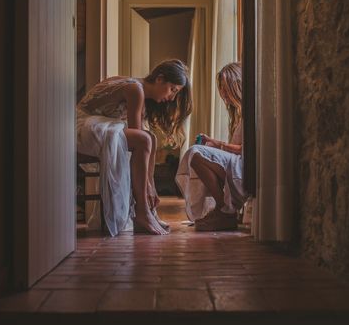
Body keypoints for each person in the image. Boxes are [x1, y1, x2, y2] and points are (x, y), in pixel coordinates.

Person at [76, 59, 192, 236]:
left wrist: (150, 184)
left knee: (150, 139)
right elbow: (138, 138)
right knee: (144, 140)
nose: (172, 97)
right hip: (81, 128)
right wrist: (148, 186)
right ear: (160, 79)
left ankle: (147, 210)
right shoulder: (135, 89)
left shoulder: (139, 90)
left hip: (98, 128)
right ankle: (142, 211)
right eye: (173, 90)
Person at [175, 62, 245, 231]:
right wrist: (214, 144)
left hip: (243, 166)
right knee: (196, 155)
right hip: (237, 163)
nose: (222, 93)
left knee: (196, 155)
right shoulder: (238, 114)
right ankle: (223, 210)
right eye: (220, 88)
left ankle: (225, 211)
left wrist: (217, 144)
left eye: (225, 87)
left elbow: (243, 149)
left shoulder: (250, 112)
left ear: (236, 85)